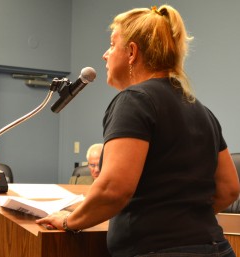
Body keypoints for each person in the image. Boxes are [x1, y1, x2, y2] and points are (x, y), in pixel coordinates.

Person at [36, 5, 240, 257]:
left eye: (112, 45)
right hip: (216, 248)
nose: (105, 54)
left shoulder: (134, 100)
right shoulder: (200, 109)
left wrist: (68, 221)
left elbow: (114, 188)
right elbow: (229, 188)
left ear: (132, 52)